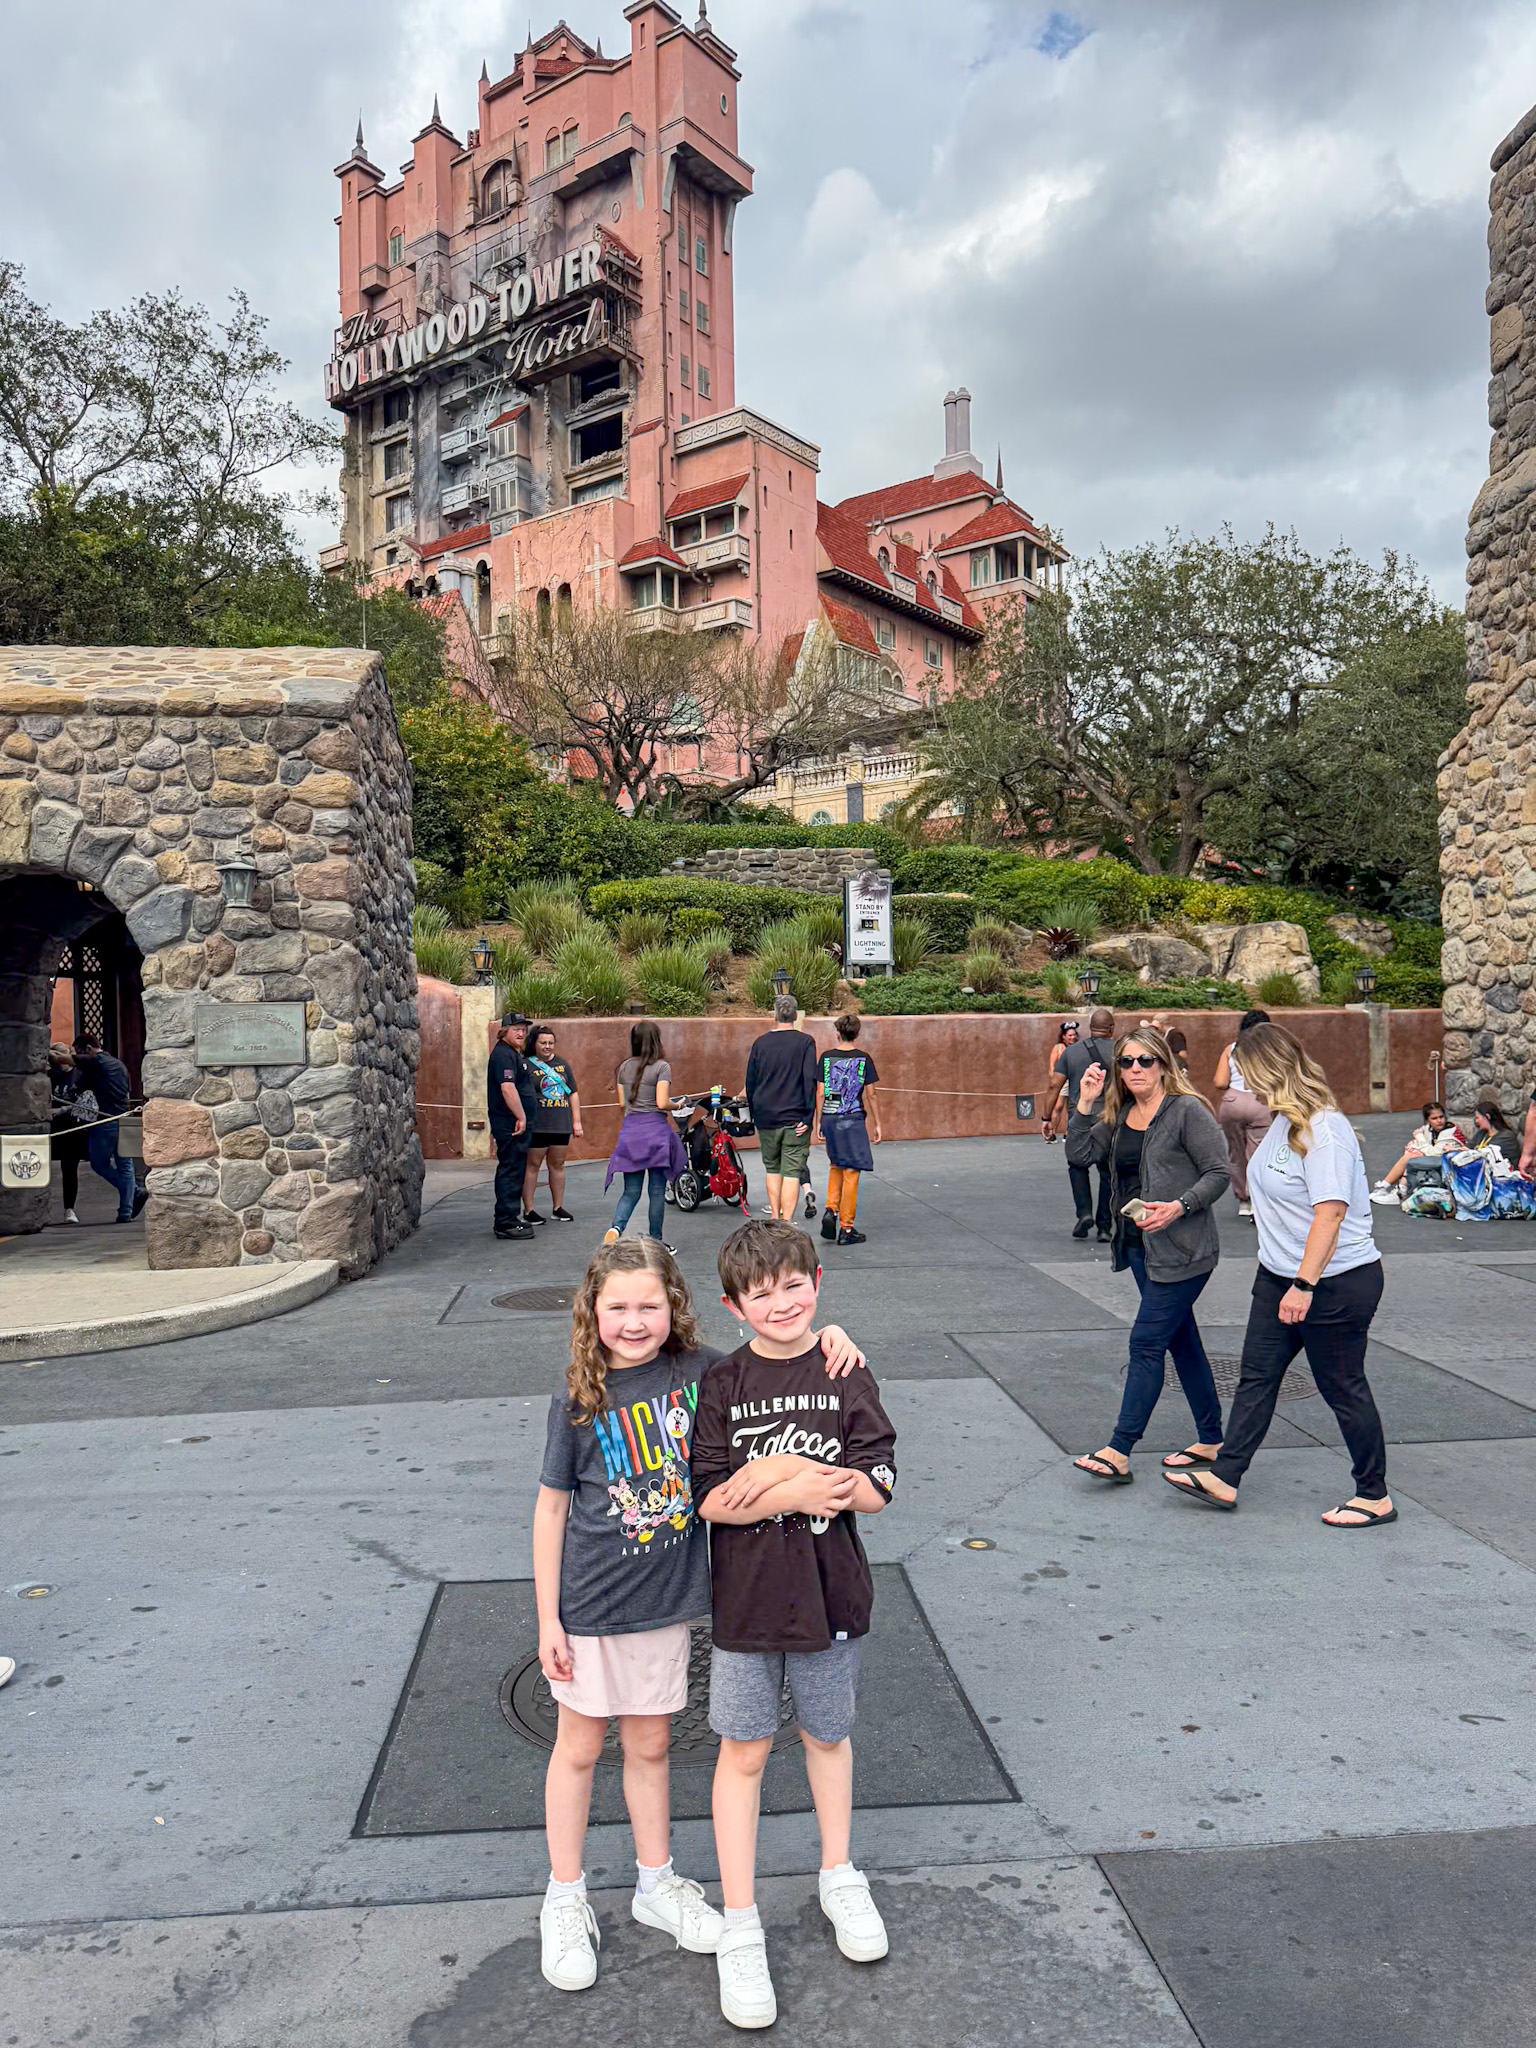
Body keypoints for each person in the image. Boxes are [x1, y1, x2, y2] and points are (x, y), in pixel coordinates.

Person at [533, 1236, 868, 1994]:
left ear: (673, 1306)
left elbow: (779, 1350)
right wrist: (548, 1618)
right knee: (580, 1749)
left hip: (667, 1603)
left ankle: (656, 1885)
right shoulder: (578, 1395)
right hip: (588, 1604)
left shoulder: (704, 1371)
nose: (634, 1319)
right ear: (593, 1310)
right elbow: (551, 1507)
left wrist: (835, 1339)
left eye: (648, 1304)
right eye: (617, 1307)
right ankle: (564, 1895)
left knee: (650, 1748)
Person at [695, 1220, 897, 2030]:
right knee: (743, 1750)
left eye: (793, 1285)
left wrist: (804, 1480)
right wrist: (787, 1480)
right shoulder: (723, 1384)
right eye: (761, 1293)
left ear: (818, 1283)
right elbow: (708, 1497)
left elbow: (877, 1484)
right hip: (744, 1605)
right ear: (734, 1306)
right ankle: (739, 1919)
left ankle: (838, 1873)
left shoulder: (846, 1367)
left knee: (826, 1737)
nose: (781, 1302)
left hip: (832, 1595)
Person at [1165, 1024, 1394, 1528]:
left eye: (1249, 1075)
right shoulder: (1280, 1123)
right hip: (1279, 1276)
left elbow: (1330, 1215)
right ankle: (1225, 1476)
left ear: (1271, 1070)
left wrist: (1304, 1285)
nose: (1243, 1086)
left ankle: (1374, 1494)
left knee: (1342, 1386)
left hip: (1333, 1281)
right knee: (1257, 1377)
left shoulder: (1324, 1129)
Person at [1065, 1026, 1231, 1486]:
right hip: (1138, 1248)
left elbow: (1219, 1172)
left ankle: (1119, 1449)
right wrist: (1084, 1103)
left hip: (1184, 1249)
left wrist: (1180, 1206)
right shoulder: (1120, 1113)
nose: (1136, 1069)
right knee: (1182, 1342)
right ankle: (1212, 1438)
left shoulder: (1187, 1111)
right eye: (1127, 1061)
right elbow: (1079, 1155)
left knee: (1146, 1344)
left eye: (1146, 1061)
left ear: (1164, 1065)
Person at [605, 1021, 687, 1248]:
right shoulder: (662, 1067)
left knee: (630, 1191)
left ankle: (616, 1228)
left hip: (630, 1134)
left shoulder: (623, 1067)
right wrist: (678, 1105)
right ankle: (656, 1241)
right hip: (655, 1134)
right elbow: (662, 1102)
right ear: (656, 1040)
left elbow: (623, 1103)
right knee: (657, 1191)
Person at [1042, 1007, 1117, 1239]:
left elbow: (1055, 1085)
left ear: (1090, 1027)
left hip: (1079, 1116)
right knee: (1108, 1171)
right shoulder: (1121, 1052)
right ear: (1112, 1029)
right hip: (1110, 1118)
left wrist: (1047, 1118)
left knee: (1077, 1165)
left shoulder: (1071, 1052)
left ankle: (1084, 1214)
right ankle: (1104, 1227)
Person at [743, 995, 819, 1223]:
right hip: (795, 1117)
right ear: (795, 1015)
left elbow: (751, 1082)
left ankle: (775, 1217)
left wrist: (755, 1113)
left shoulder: (760, 1043)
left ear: (775, 1015)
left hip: (766, 1116)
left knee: (772, 1168)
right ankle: (786, 1223)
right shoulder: (805, 1042)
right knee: (792, 1172)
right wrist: (808, 1115)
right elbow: (809, 1081)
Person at [812, 1015, 883, 1247]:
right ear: (857, 1034)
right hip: (852, 1119)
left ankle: (830, 1209)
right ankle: (847, 1228)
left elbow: (820, 1093)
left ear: (837, 1034)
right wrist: (877, 1123)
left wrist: (819, 1121)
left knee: (836, 1164)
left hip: (831, 1119)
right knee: (852, 1171)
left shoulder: (825, 1058)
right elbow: (871, 1094)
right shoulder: (864, 1059)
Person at [71, 1034, 144, 1223]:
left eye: (79, 1051)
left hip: (106, 1120)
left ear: (87, 1049)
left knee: (99, 1163)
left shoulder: (96, 1062)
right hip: (126, 1117)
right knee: (125, 1164)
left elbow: (65, 1060)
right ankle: (126, 1211)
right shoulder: (118, 1064)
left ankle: (134, 1191)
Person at [1214, 1008, 1272, 1219]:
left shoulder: (1231, 1049)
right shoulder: (1272, 1049)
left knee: (1236, 1154)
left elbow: (1220, 1082)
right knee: (1259, 1153)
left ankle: (1243, 1201)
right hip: (1261, 1102)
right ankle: (1258, 1200)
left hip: (1233, 1102)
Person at [523, 1025, 583, 1224]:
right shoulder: (526, 1065)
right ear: (535, 1044)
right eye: (543, 1043)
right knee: (532, 1166)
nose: (547, 1046)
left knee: (557, 1165)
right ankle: (529, 1209)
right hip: (538, 1123)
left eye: (550, 1043)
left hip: (560, 1123)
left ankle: (558, 1207)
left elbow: (572, 1093)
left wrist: (576, 1122)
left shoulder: (563, 1065)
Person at [488, 1012, 539, 1241]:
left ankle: (509, 1219)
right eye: (516, 1029)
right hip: (510, 1124)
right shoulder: (503, 1055)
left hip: (514, 1123)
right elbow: (508, 1089)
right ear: (504, 1031)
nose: (521, 1033)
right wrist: (521, 1116)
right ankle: (506, 1222)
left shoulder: (510, 1054)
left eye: (524, 1029)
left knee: (515, 1170)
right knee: (511, 1171)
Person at [1368, 1100, 1465, 1206]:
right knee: (1411, 1153)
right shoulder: (1428, 1129)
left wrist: (1419, 1138)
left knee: (1410, 1156)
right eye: (1434, 1118)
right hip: (1437, 1162)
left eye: (1441, 1117)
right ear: (1427, 1120)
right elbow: (1415, 1145)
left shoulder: (1450, 1131)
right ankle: (1397, 1189)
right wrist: (1418, 1144)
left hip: (1450, 1166)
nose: (1439, 1121)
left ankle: (1391, 1189)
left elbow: (1434, 1153)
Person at [48, 1044, 93, 1225]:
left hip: (71, 1127)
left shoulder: (79, 1076)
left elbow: (86, 1101)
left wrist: (61, 1110)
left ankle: (69, 1208)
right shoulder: (50, 1076)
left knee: (69, 1169)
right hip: (52, 1127)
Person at [1044, 1021, 1079, 1142]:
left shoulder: (1077, 1048)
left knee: (1073, 1108)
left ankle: (1068, 1133)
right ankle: (1052, 1133)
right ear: (1063, 1036)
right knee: (1058, 1106)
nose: (1072, 1037)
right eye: (1070, 1035)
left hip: (1074, 1081)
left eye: (1074, 1035)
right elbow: (1051, 1067)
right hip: (1063, 1082)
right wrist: (1056, 1081)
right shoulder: (1058, 1048)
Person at [1470, 1102, 1522, 1166]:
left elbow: (1488, 1153)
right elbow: (1470, 1146)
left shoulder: (1507, 1137)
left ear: (1487, 1116)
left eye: (1477, 1118)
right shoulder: (1481, 1134)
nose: (1476, 1121)